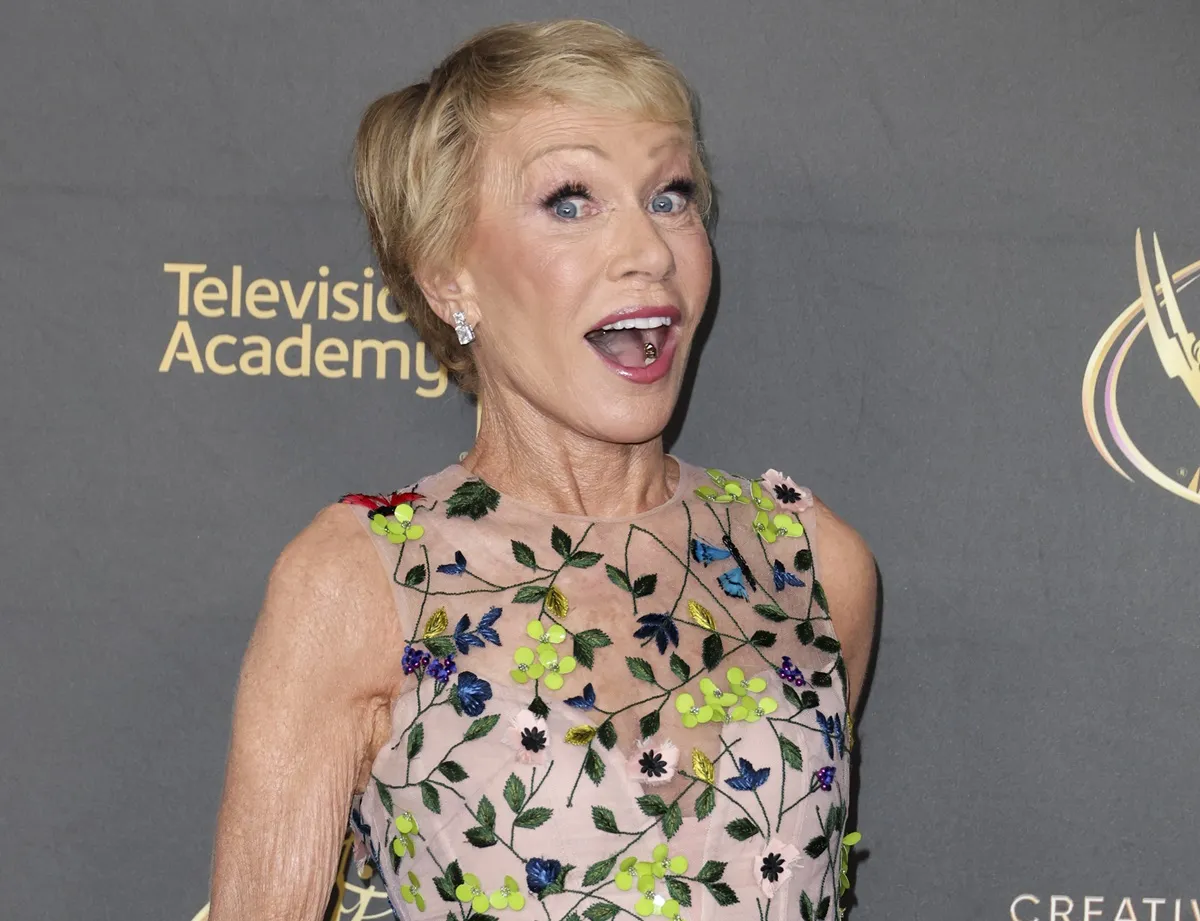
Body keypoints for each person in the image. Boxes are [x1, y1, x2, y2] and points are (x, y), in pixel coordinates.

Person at [208, 19, 877, 921]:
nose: (649, 250)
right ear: (450, 278)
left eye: (671, 194)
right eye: (571, 201)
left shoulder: (810, 561)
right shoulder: (361, 582)